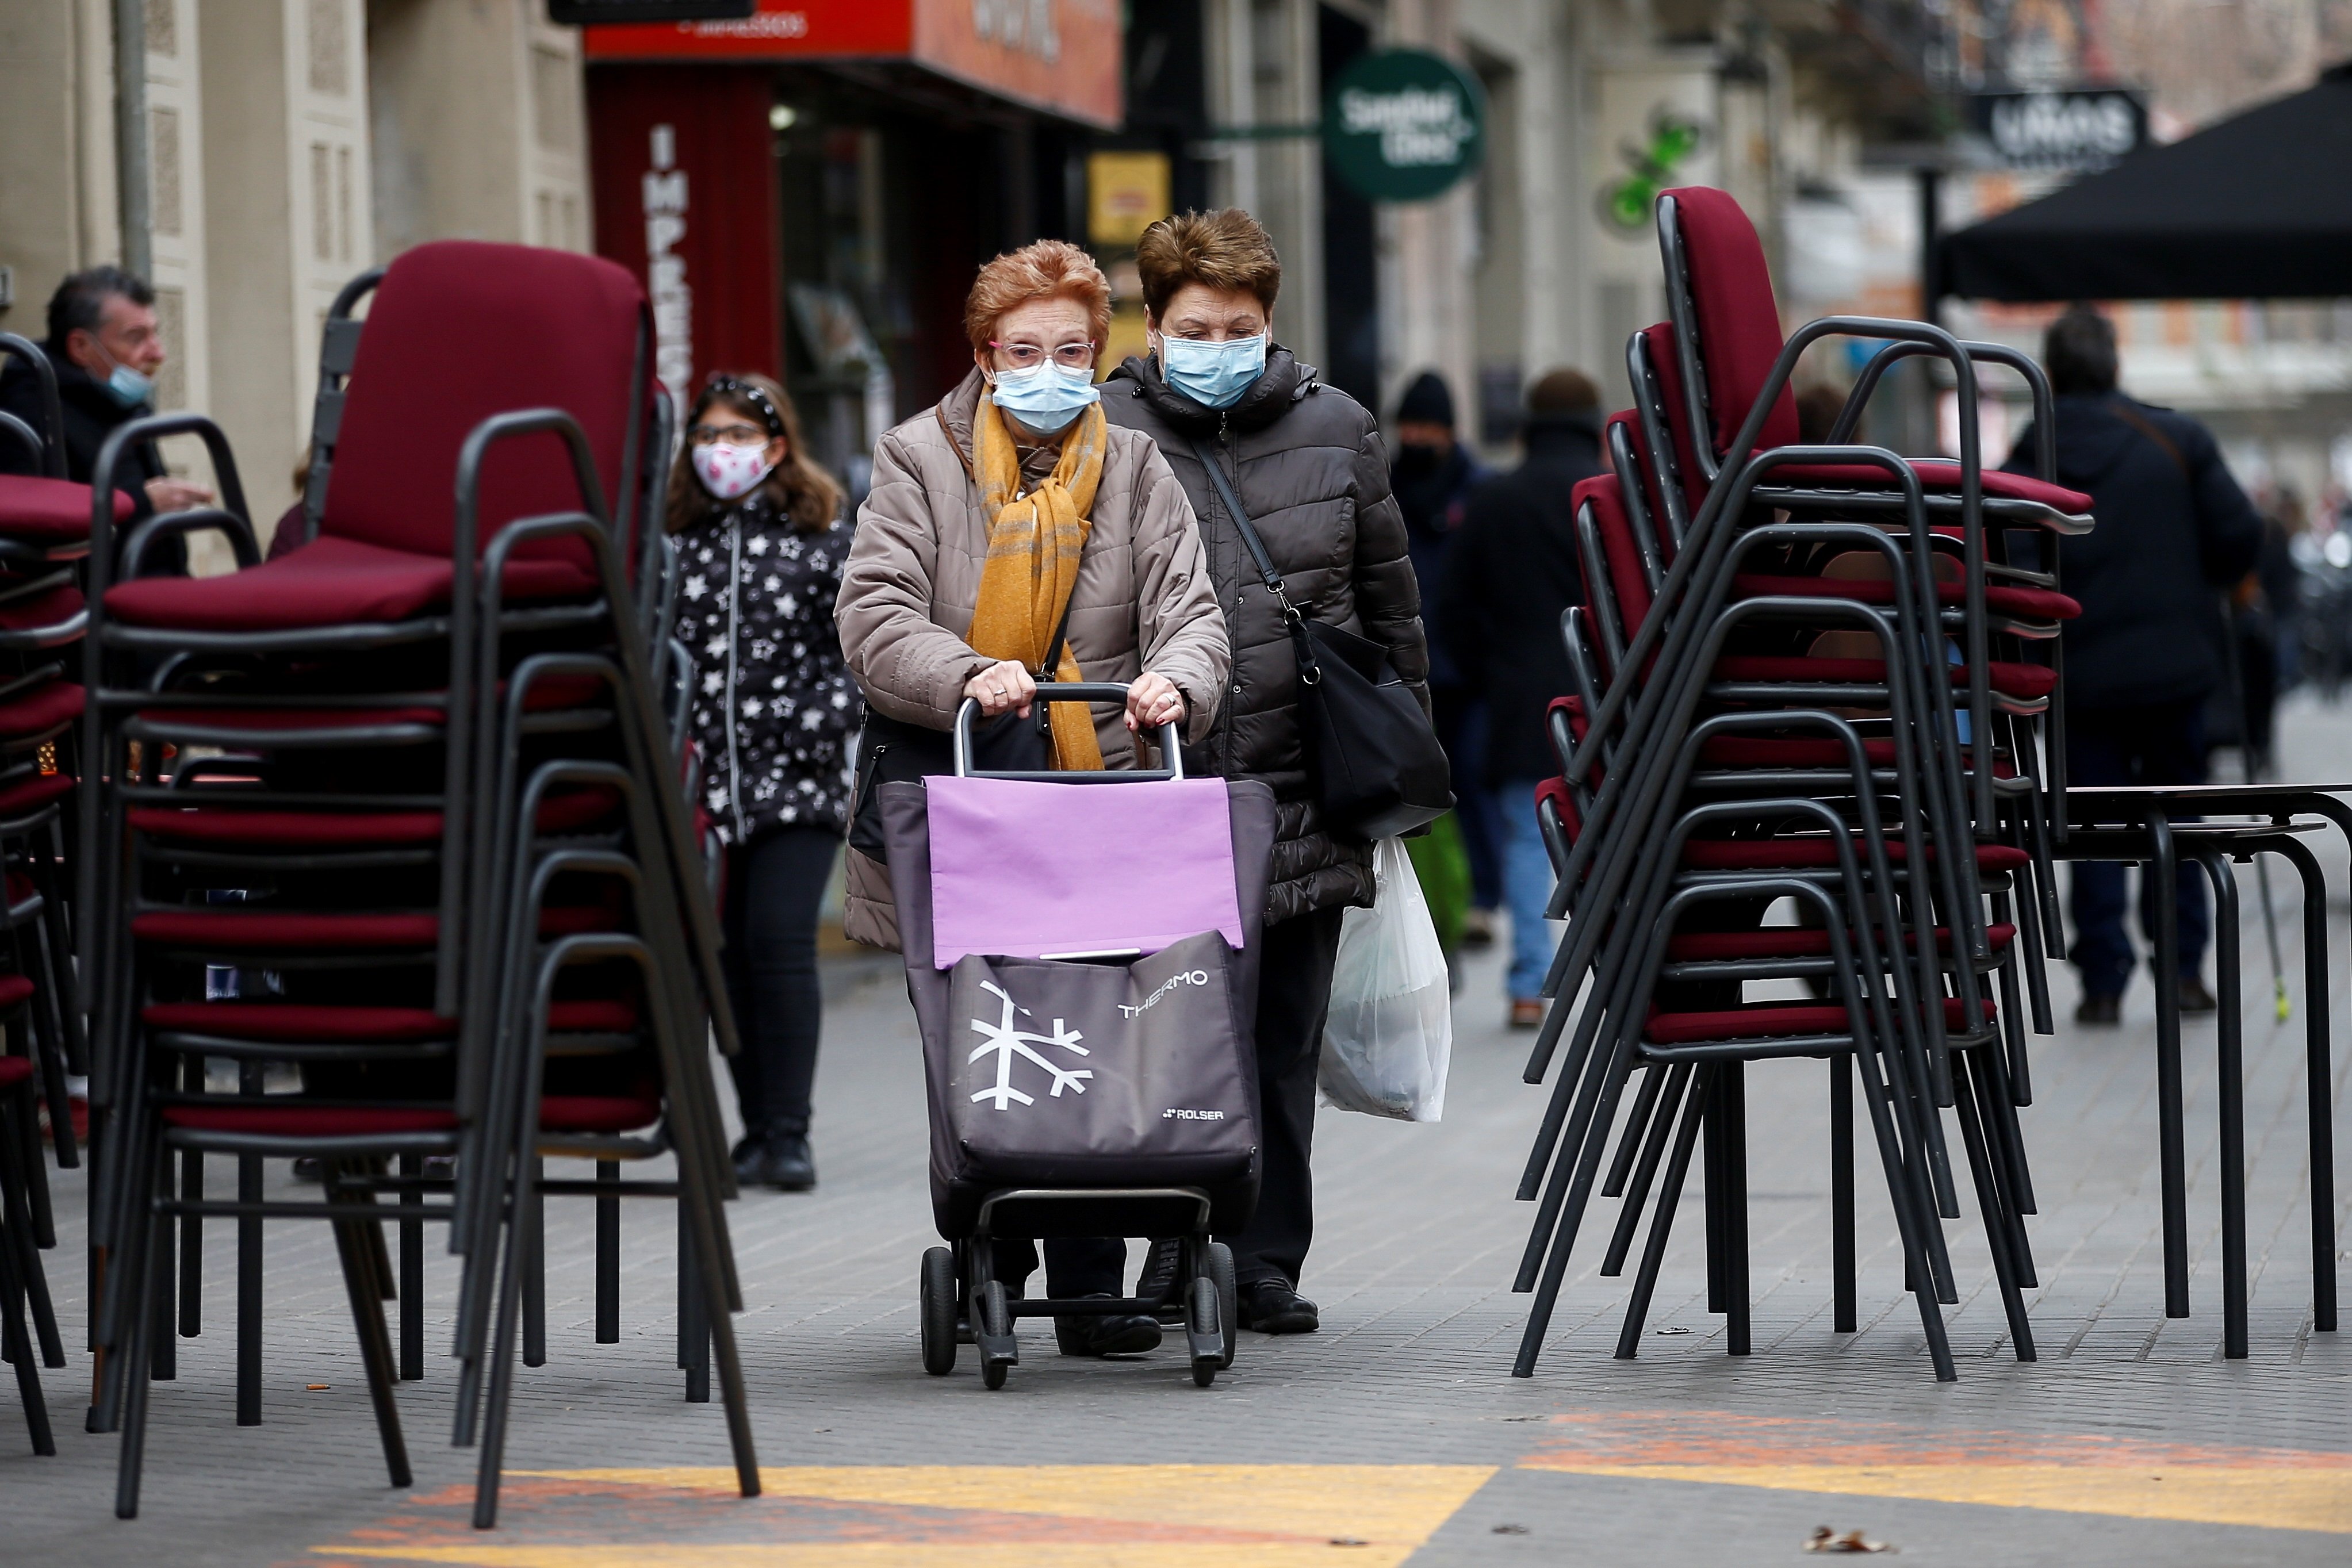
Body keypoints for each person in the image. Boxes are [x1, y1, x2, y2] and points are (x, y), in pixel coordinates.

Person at [835, 238, 1228, 1356]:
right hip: (962, 799)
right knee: (983, 1032)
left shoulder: (1140, 468)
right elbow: (873, 616)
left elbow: (1192, 614)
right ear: (983, 354)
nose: (1048, 368)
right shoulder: (917, 458)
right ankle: (993, 1257)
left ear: (1098, 353)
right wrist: (967, 672)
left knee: (1106, 1028)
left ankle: (1096, 1286)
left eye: (1069, 349)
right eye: (1024, 349)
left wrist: (1176, 679)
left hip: (1100, 795)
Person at [1101, 208, 1429, 1335]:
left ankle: (1259, 1259)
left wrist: (1400, 768)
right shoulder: (1101, 429)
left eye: (1239, 326)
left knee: (1279, 1036)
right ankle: (1164, 1252)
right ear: (1152, 324)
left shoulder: (1337, 427)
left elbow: (1389, 607)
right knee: (1161, 1032)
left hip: (1299, 782)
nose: (1218, 343)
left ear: (1269, 321)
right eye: (1195, 326)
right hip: (1153, 785)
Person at [2006, 304, 2262, 1024]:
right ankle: (2182, 970)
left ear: (2051, 372)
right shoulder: (2176, 439)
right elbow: (2238, 537)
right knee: (2176, 818)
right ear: (2115, 363)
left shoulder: (2030, 457)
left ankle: (2102, 981)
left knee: (2088, 827)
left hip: (2078, 680)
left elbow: (2007, 572)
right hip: (2174, 670)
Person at [668, 371, 860, 1192]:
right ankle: (751, 1128)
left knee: (779, 947)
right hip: (700, 791)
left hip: (798, 787)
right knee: (724, 958)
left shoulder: (822, 538)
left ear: (776, 445)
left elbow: (859, 652)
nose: (723, 450)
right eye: (708, 435)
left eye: (739, 435)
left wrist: (810, 724)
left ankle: (789, 1132)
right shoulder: (674, 544)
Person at [1439, 368, 1604, 1026]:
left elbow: (1451, 605)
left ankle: (1528, 985)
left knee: (1524, 839)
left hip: (1517, 699)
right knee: (1611, 841)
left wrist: (1488, 672)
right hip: (1606, 696)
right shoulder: (1610, 496)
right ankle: (1620, 981)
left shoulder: (1494, 499)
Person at [1389, 371, 1500, 949]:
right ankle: (1425, 901)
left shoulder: (1477, 489)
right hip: (1402, 667)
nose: (1417, 437)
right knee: (1415, 788)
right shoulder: (1384, 485)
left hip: (1464, 668)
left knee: (1471, 782)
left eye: (1427, 426)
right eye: (1409, 425)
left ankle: (1482, 896)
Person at [0, 266, 211, 528]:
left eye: (155, 333)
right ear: (81, 347)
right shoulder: (30, 415)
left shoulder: (117, 398)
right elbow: (35, 532)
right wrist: (143, 504)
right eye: (136, 338)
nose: (158, 353)